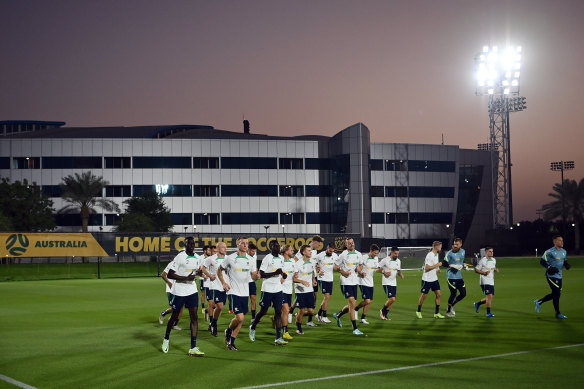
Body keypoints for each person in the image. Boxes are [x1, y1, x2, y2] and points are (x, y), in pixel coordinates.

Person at [161, 237, 204, 356]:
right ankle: (166, 338)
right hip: (179, 291)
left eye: (193, 243)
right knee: (174, 316)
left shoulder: (197, 257)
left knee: (194, 317)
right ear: (185, 245)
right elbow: (170, 274)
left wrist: (200, 274)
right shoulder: (180, 257)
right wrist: (186, 278)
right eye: (189, 244)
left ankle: (193, 347)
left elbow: (196, 272)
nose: (191, 245)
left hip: (192, 290)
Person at [218, 237, 258, 350]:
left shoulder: (251, 260)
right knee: (240, 318)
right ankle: (230, 336)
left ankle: (230, 338)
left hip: (245, 292)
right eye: (243, 243)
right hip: (233, 292)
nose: (245, 245)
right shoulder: (230, 258)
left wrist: (257, 276)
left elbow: (253, 275)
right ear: (238, 244)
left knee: (241, 318)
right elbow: (219, 270)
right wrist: (223, 283)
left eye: (247, 243)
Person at [249, 240, 288, 345]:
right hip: (267, 289)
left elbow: (282, 270)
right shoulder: (267, 258)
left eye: (279, 245)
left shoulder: (281, 258)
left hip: (278, 289)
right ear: (271, 247)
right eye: (275, 246)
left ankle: (278, 337)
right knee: (264, 311)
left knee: (278, 312)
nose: (278, 247)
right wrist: (274, 273)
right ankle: (253, 327)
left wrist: (284, 275)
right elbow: (261, 274)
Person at [534, 235, 572, 319]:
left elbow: (564, 260)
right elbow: (542, 261)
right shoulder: (549, 251)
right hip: (551, 276)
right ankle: (558, 313)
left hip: (559, 276)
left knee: (555, 294)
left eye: (562, 240)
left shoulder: (564, 251)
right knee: (557, 294)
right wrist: (549, 268)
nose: (562, 242)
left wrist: (566, 264)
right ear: (555, 242)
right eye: (559, 240)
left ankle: (539, 302)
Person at [332, 238, 364, 335]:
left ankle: (338, 315)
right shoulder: (343, 254)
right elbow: (335, 267)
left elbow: (360, 265)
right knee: (351, 303)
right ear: (346, 245)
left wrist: (360, 270)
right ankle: (354, 328)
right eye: (349, 243)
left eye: (352, 242)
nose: (351, 244)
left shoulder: (358, 254)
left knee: (352, 305)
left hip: (354, 281)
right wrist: (343, 272)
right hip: (345, 281)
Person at [201, 242, 227, 337]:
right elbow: (203, 268)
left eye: (226, 247)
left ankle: (212, 323)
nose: (226, 249)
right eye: (224, 247)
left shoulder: (227, 259)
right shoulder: (211, 259)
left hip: (224, 286)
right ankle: (214, 324)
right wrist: (209, 275)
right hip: (214, 285)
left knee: (219, 307)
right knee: (218, 306)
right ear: (218, 248)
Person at [416, 241, 444, 319]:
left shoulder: (436, 254)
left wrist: (437, 269)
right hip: (427, 279)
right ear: (436, 246)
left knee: (438, 294)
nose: (441, 248)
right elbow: (427, 268)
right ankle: (418, 311)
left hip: (434, 279)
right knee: (424, 296)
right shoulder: (429, 255)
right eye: (440, 246)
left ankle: (437, 313)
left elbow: (435, 265)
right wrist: (437, 265)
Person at [293, 245, 317, 335]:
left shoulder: (311, 262)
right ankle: (299, 327)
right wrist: (302, 281)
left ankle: (298, 315)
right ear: (303, 252)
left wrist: (313, 280)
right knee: (302, 310)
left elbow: (312, 273)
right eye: (308, 250)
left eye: (311, 250)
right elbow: (294, 279)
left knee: (311, 311)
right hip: (300, 289)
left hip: (309, 289)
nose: (311, 252)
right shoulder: (298, 264)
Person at [354, 244, 380, 324]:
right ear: (371, 251)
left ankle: (363, 318)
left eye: (377, 253)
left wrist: (380, 270)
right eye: (375, 253)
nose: (376, 255)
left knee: (370, 301)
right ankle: (356, 309)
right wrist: (361, 273)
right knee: (367, 301)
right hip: (362, 281)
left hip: (370, 282)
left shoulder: (376, 259)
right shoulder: (363, 257)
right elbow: (357, 268)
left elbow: (376, 268)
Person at [377, 246, 404, 320]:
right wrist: (384, 272)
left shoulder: (398, 261)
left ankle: (385, 315)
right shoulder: (385, 260)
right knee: (392, 299)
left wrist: (400, 274)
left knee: (392, 300)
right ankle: (382, 310)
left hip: (394, 283)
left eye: (398, 254)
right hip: (386, 282)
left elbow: (398, 270)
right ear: (391, 252)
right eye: (395, 253)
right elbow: (376, 269)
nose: (397, 255)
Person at [443, 238, 467, 317]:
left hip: (459, 277)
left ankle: (452, 305)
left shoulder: (463, 252)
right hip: (451, 276)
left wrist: (464, 265)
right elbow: (444, 263)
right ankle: (448, 311)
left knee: (463, 294)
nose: (455, 246)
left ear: (461, 245)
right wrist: (452, 265)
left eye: (457, 244)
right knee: (453, 293)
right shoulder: (450, 253)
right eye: (454, 244)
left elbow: (461, 261)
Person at [314, 243, 338, 323]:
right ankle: (324, 316)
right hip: (322, 278)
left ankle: (318, 315)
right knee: (326, 297)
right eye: (330, 251)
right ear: (327, 249)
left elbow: (337, 265)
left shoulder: (335, 256)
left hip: (330, 279)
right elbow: (314, 264)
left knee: (326, 298)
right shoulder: (319, 256)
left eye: (332, 251)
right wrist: (318, 270)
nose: (331, 252)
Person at [158, 257, 183, 329]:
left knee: (180, 308)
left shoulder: (184, 265)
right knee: (175, 308)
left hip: (180, 289)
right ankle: (164, 314)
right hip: (171, 290)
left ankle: (174, 324)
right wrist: (169, 283)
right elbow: (163, 275)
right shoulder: (172, 264)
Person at [473, 247, 499, 317]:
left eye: (492, 251)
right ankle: (488, 313)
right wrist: (484, 273)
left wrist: (496, 269)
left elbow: (493, 267)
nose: (491, 253)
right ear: (486, 252)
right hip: (484, 281)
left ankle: (477, 304)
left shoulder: (494, 260)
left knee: (490, 297)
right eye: (490, 251)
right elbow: (476, 270)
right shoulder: (482, 261)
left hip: (491, 281)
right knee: (489, 296)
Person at [280, 244, 296, 340]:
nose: (293, 251)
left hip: (289, 289)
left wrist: (296, 275)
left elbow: (295, 273)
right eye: (291, 250)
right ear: (286, 251)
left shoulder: (293, 261)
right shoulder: (279, 261)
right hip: (279, 289)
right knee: (285, 310)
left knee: (284, 311)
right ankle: (285, 332)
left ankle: (276, 320)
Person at [199, 245, 213, 321]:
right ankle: (203, 307)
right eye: (208, 250)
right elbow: (199, 268)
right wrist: (203, 275)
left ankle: (208, 309)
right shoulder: (200, 258)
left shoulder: (211, 258)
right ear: (205, 251)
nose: (210, 252)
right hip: (203, 279)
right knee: (203, 293)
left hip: (211, 279)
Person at [248, 242, 260, 321]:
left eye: (254, 251)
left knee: (253, 298)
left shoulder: (254, 256)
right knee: (244, 299)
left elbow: (255, 267)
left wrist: (257, 272)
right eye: (252, 251)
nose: (254, 253)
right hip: (244, 282)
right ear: (248, 250)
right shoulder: (244, 257)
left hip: (252, 281)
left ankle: (253, 317)